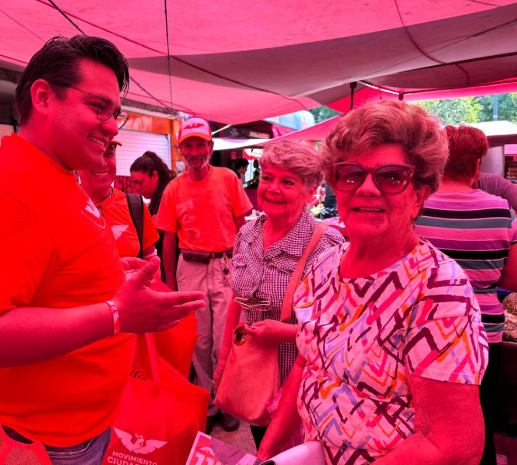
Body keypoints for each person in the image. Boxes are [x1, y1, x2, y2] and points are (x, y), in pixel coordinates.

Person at [0, 35, 205, 465]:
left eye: (115, 113)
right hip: (35, 442)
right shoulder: (7, 187)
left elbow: (47, 272)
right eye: (98, 107)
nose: (112, 126)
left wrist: (105, 272)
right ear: (43, 97)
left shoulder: (57, 174)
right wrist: (115, 314)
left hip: (73, 431)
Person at [257, 101, 489, 464]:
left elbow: (453, 445)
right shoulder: (324, 266)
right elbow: (306, 364)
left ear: (419, 194)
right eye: (351, 174)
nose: (366, 188)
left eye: (392, 176)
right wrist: (265, 452)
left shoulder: (438, 289)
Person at [214, 141, 344, 449]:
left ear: (311, 193)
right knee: (261, 440)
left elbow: (338, 330)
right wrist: (224, 358)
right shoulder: (247, 234)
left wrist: (284, 333)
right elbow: (237, 300)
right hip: (251, 370)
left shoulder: (326, 245)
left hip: (299, 382)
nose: (272, 188)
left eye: (288, 182)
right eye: (268, 177)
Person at [415, 124, 517, 465]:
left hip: (423, 330)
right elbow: (513, 278)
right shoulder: (502, 211)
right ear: (476, 165)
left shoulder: (415, 207)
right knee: (479, 422)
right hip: (483, 332)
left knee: (424, 424)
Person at [155, 117, 253, 433]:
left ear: (210, 147)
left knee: (226, 338)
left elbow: (244, 227)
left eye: (200, 144)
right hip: (190, 267)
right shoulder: (173, 189)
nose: (195, 151)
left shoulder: (227, 178)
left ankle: (227, 401)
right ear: (181, 149)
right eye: (189, 146)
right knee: (199, 342)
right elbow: (168, 240)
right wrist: (171, 284)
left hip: (226, 265)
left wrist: (245, 268)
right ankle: (209, 404)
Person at [79, 141, 159, 259]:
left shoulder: (135, 206)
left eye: (108, 153)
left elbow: (151, 259)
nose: (102, 162)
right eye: (93, 153)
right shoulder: (61, 207)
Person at [130, 150, 178, 278]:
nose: (137, 188)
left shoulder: (165, 195)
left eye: (140, 182)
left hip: (170, 267)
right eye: (134, 183)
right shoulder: (158, 196)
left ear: (155, 176)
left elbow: (155, 230)